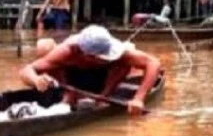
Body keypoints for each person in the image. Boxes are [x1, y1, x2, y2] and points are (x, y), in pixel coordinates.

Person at [20, 24, 162, 115]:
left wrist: (138, 98)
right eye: (100, 57)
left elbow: (153, 63)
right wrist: (36, 80)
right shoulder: (68, 51)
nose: (105, 58)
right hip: (72, 81)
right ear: (83, 53)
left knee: (124, 62)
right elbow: (26, 70)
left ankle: (103, 98)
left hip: (103, 83)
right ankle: (69, 97)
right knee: (45, 48)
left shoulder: (117, 49)